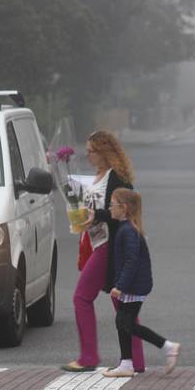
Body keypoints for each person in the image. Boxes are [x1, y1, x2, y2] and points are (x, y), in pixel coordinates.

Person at [62, 131, 146, 372]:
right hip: (97, 243)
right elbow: (91, 208)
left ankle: (89, 357)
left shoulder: (117, 178)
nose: (87, 155)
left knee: (83, 297)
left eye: (92, 151)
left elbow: (123, 210)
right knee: (121, 302)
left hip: (110, 246)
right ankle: (135, 362)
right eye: (87, 151)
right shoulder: (97, 177)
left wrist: (96, 215)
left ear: (105, 151)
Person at [102, 188, 180, 377]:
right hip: (132, 284)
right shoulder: (125, 228)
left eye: (113, 204)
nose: (110, 208)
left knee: (128, 324)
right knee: (122, 322)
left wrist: (120, 286)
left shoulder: (128, 231)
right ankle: (126, 363)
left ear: (124, 208)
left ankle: (168, 347)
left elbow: (132, 260)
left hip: (134, 286)